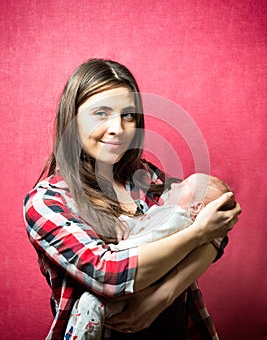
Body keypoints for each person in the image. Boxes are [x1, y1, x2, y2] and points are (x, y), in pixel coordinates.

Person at [23, 58, 241, 340]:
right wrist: (198, 233)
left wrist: (163, 296)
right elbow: (108, 273)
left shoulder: (144, 177)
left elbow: (221, 220)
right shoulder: (46, 202)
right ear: (72, 118)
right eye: (101, 113)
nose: (119, 128)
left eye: (128, 115)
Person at [64, 173, 234, 340]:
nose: (174, 185)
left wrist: (163, 295)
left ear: (196, 208)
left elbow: (221, 227)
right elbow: (111, 270)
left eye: (183, 186)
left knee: (90, 304)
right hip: (125, 292)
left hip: (142, 295)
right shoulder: (50, 197)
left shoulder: (176, 216)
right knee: (90, 306)